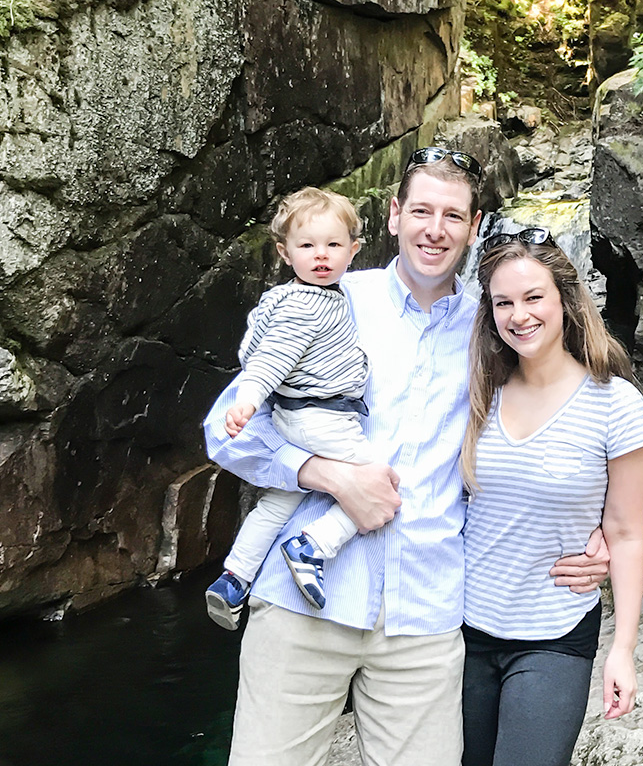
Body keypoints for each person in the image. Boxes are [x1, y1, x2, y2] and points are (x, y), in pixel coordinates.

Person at [203, 148, 610, 766]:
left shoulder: (498, 323)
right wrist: (326, 476)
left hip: (425, 623)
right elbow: (222, 429)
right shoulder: (329, 299)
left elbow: (570, 407)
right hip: (303, 608)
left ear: (475, 228)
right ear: (393, 216)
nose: (435, 228)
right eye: (421, 210)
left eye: (453, 215)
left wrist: (603, 527)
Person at [460, 227, 643, 766]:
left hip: (553, 633)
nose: (518, 315)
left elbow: (627, 531)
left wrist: (623, 650)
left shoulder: (615, 405)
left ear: (565, 301)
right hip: (460, 629)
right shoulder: (477, 391)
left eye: (532, 297)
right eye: (504, 302)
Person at [205, 187, 372, 629]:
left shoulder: (279, 299)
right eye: (307, 246)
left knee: (279, 499)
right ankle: (315, 544)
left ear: (353, 250)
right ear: (284, 252)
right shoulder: (307, 306)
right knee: (382, 485)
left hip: (293, 418)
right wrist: (247, 400)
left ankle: (234, 577)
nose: (321, 255)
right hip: (324, 417)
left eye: (333, 245)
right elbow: (269, 360)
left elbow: (252, 346)